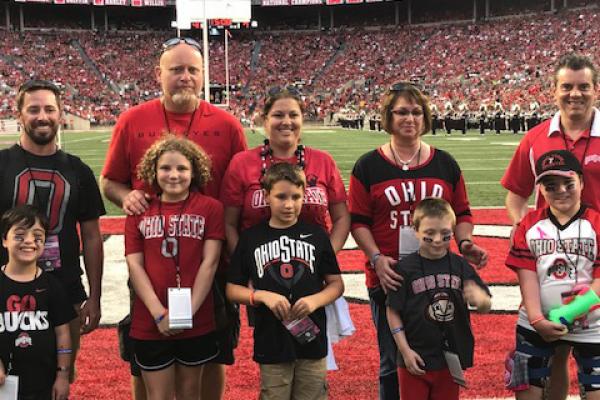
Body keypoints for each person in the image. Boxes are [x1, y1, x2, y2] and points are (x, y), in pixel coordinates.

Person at [100, 37, 247, 400]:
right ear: (159, 74)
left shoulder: (227, 124)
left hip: (211, 258)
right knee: (145, 354)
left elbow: (242, 187)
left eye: (193, 70)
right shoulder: (133, 120)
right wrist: (126, 195)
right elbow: (110, 181)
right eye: (176, 69)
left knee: (214, 349)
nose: (185, 77)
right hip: (152, 257)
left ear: (203, 75)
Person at [348, 81, 488, 400]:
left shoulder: (445, 163)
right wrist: (376, 259)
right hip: (391, 276)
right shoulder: (368, 165)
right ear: (388, 116)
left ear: (425, 117)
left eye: (416, 111)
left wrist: (465, 243)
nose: (409, 118)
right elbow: (359, 221)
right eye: (401, 112)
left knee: (439, 359)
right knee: (391, 362)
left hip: (438, 275)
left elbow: (463, 212)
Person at [220, 85, 352, 369]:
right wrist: (248, 270)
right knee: (274, 360)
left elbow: (342, 217)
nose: (286, 121)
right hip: (266, 278)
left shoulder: (323, 162)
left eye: (293, 114)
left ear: (302, 119)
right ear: (263, 119)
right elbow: (229, 224)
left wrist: (325, 259)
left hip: (312, 279)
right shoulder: (242, 164)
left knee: (314, 359)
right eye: (278, 114)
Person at [502, 53, 600, 400]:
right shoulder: (536, 137)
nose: (575, 94)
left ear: (595, 90)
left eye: (583, 87)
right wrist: (525, 232)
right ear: (554, 91)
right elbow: (516, 195)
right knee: (555, 348)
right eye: (567, 87)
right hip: (549, 261)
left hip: (597, 256)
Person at [0, 79, 105, 384]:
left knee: (62, 376)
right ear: (19, 114)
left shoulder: (78, 169)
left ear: (61, 114)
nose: (42, 116)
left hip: (65, 288)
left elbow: (92, 236)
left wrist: (95, 297)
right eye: (33, 109)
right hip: (7, 290)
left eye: (49, 109)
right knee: (6, 377)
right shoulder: (3, 165)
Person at [226, 162, 344, 399]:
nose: (289, 204)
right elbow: (232, 289)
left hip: (312, 338)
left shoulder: (318, 236)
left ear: (304, 197)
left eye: (296, 197)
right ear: (266, 196)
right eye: (281, 197)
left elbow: (336, 284)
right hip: (271, 338)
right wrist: (259, 296)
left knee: (312, 394)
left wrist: (315, 300)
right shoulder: (251, 238)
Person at [125, 136, 223, 400]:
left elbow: (209, 263)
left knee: (191, 394)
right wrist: (158, 313)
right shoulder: (139, 211)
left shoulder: (211, 208)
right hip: (150, 319)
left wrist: (188, 311)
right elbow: (135, 264)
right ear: (153, 171)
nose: (174, 175)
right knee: (158, 397)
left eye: (182, 168)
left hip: (196, 316)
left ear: (195, 172)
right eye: (165, 168)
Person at [505, 150, 600, 400]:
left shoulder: (597, 223)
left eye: (568, 183)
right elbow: (527, 278)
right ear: (541, 190)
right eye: (550, 185)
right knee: (528, 392)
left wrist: (569, 313)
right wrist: (538, 320)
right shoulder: (528, 225)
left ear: (581, 181)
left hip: (591, 326)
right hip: (535, 323)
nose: (561, 191)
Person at [386, 197, 491, 400]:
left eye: (445, 234)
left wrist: (481, 300)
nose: (437, 240)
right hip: (415, 357)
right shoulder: (405, 269)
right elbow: (392, 310)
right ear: (415, 230)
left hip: (450, 357)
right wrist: (405, 351)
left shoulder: (460, 266)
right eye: (429, 234)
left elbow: (485, 305)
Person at [0, 205, 77, 400]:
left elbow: (63, 334)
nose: (29, 241)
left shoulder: (53, 286)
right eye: (19, 235)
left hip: (44, 383)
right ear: (4, 240)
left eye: (37, 236)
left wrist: (63, 375)